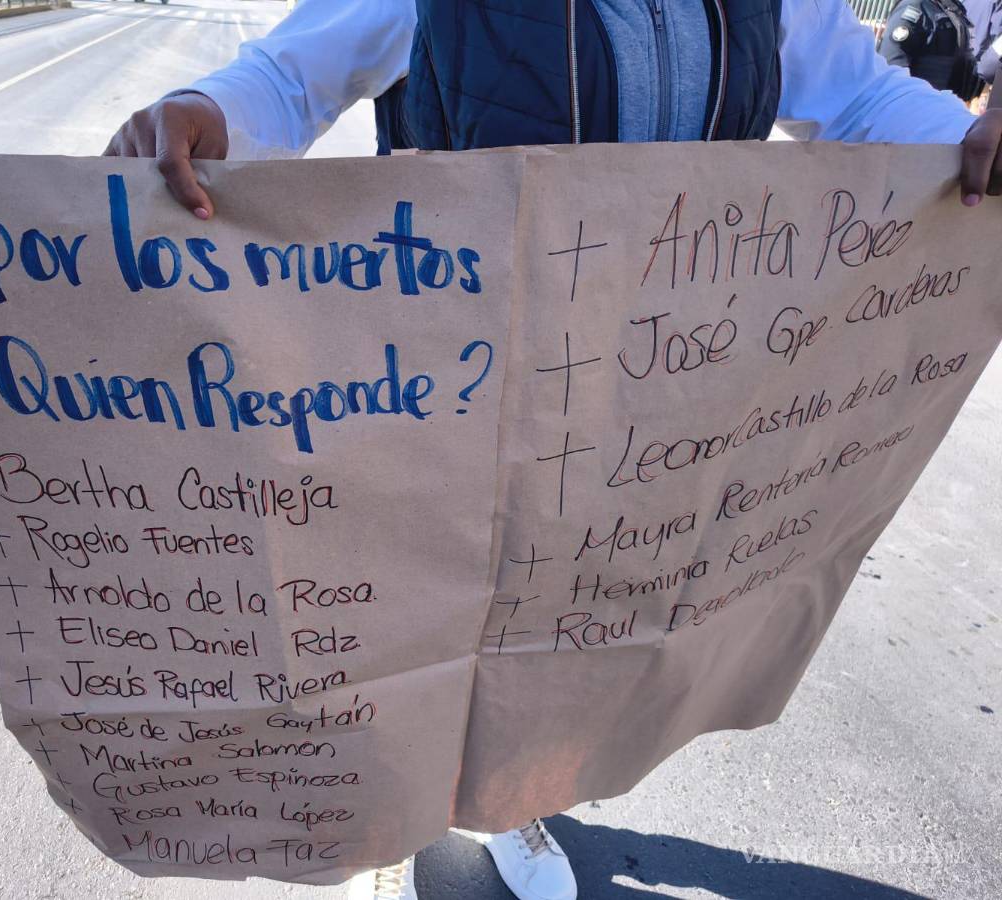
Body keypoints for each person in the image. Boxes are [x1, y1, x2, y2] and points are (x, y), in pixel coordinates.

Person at [105, 2, 1002, 898]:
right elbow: (295, 74)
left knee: (573, 612)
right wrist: (208, 108)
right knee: (433, 598)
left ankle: (510, 791)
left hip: (666, 379)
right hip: (460, 364)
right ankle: (398, 795)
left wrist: (971, 139)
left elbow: (853, 99)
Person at [877, 0, 985, 100]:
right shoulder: (915, 7)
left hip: (945, 107)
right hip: (916, 106)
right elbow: (892, 65)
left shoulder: (952, 8)